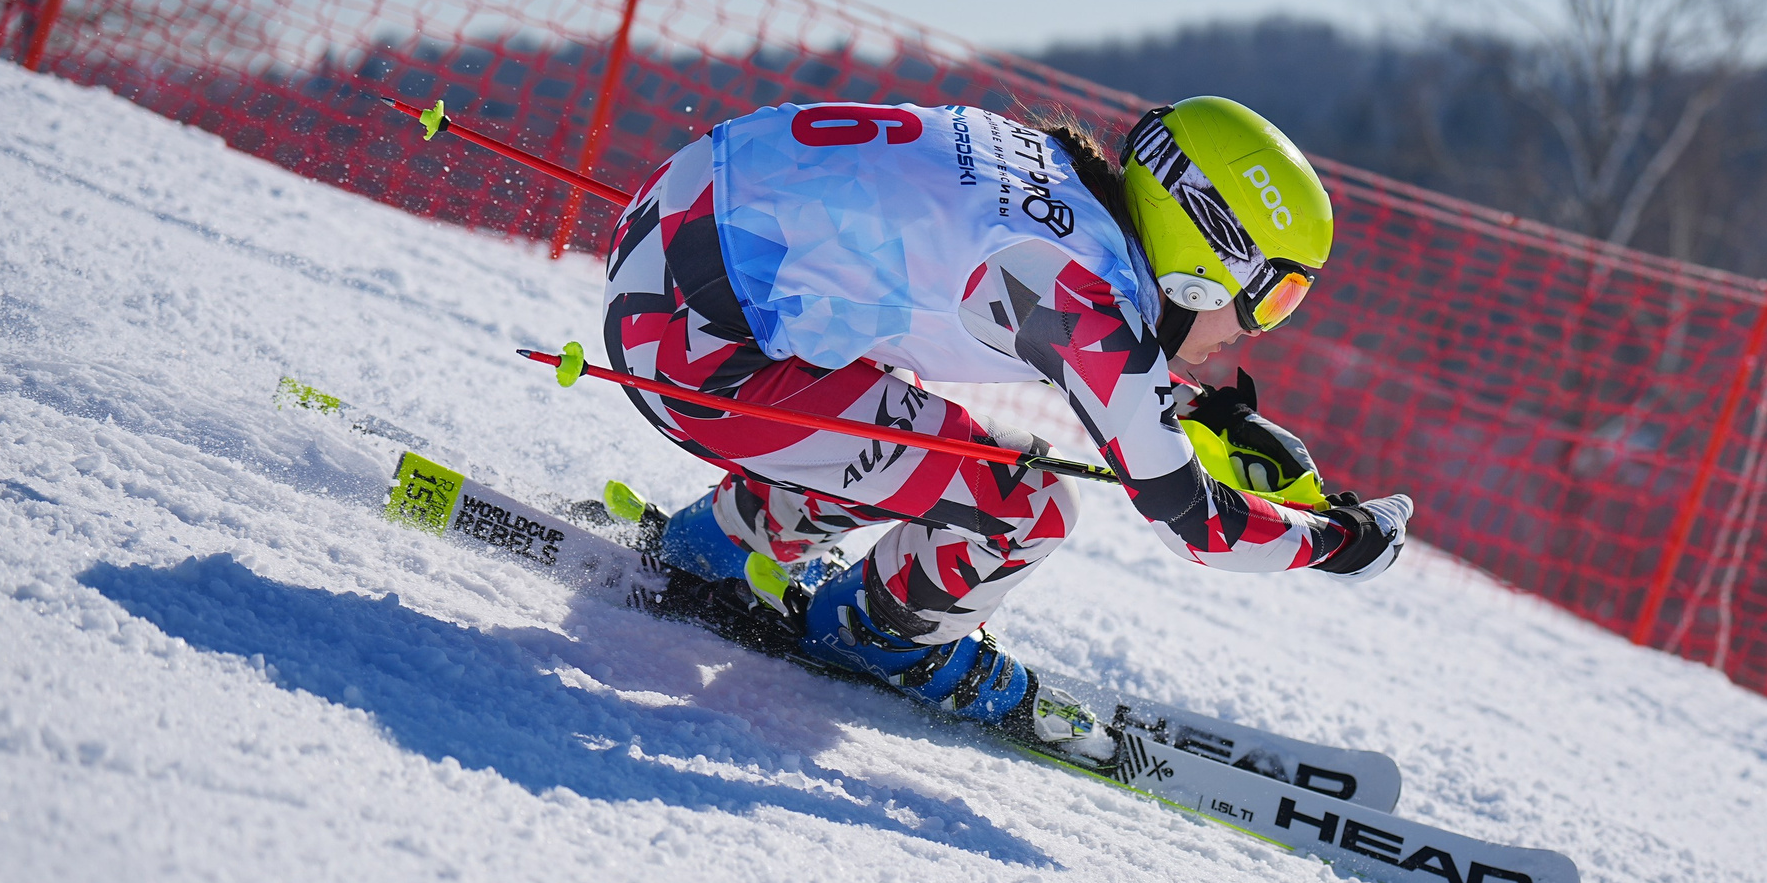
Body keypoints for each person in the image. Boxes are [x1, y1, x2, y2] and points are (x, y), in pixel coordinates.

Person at [597, 94, 1413, 746]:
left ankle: (721, 544)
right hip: (693, 349)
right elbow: (1196, 524)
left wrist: (1206, 414)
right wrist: (1341, 542)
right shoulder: (1079, 292)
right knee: (1028, 501)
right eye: (1274, 295)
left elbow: (1096, 352)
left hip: (672, 245)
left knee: (910, 425)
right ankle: (872, 637)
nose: (1256, 330)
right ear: (1211, 251)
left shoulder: (1060, 181)